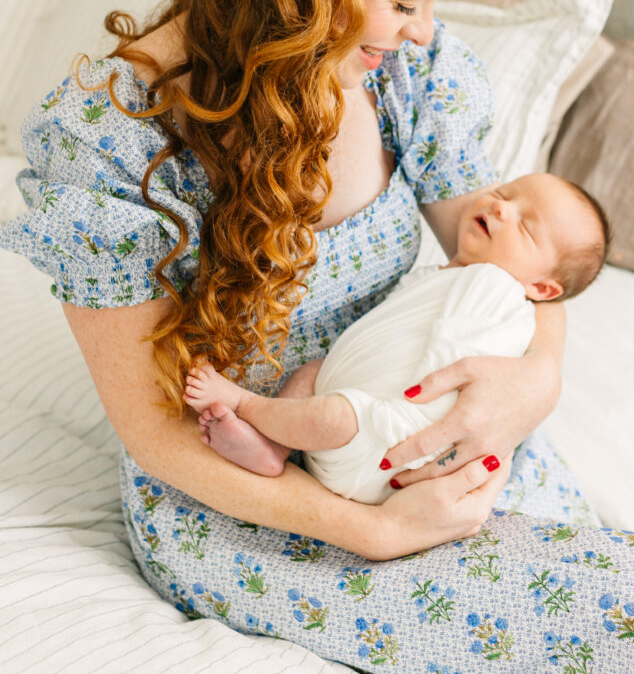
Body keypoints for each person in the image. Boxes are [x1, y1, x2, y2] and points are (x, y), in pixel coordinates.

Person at [1, 0, 634, 672]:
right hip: (255, 497)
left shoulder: (409, 78)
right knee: (628, 616)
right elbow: (156, 435)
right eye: (403, 2)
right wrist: (370, 531)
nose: (421, 32)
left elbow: (509, 252)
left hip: (403, 425)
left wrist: (535, 383)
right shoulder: (114, 139)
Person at [183, 173, 611, 506]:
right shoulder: (447, 275)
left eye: (527, 226)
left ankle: (243, 404)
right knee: (314, 374)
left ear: (543, 290)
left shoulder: (491, 286)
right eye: (505, 194)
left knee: (337, 415)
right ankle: (272, 447)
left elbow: (449, 365)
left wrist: (398, 420)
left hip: (385, 443)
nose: (502, 210)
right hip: (355, 423)